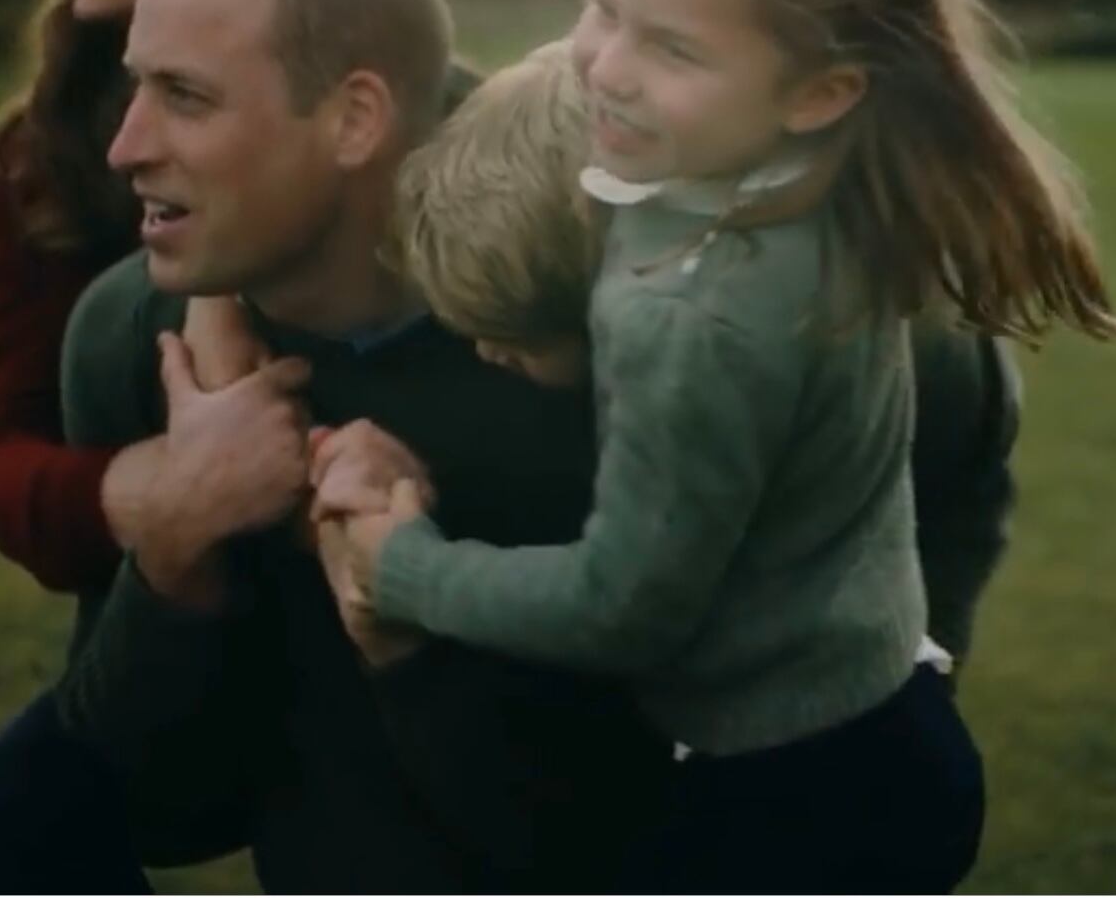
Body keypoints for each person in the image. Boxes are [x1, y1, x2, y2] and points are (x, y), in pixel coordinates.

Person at [320, 0, 1116, 893]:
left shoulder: (690, 318)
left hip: (794, 804)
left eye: (670, 45)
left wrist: (410, 571)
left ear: (819, 91)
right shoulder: (813, 173)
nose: (603, 68)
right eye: (601, 4)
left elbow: (620, 608)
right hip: (891, 726)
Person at [51, 0, 674, 892]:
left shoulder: (576, 349)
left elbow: (618, 841)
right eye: (136, 86)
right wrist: (177, 540)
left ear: (354, 118)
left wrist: (408, 617)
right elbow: (156, 808)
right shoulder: (132, 338)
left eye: (185, 95)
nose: (125, 145)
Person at [0, 0, 367, 893]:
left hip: (384, 608)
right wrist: (157, 491)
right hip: (184, 630)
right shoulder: (41, 164)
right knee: (27, 803)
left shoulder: (386, 110)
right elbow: (6, 461)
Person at [388, 40, 1021, 666]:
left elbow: (626, 603)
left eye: (522, 341)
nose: (485, 352)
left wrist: (403, 567)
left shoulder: (762, 358)